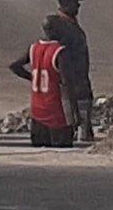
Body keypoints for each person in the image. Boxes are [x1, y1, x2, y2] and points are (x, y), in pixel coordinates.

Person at [9, 15, 77, 147]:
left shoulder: (33, 48)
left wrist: (33, 77)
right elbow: (68, 84)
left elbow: (14, 66)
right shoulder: (60, 52)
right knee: (61, 152)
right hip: (57, 116)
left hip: (37, 114)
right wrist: (75, 112)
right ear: (57, 30)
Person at [54, 0, 95, 143]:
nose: (78, 6)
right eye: (75, 3)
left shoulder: (70, 24)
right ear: (66, 4)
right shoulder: (62, 26)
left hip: (79, 79)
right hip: (73, 82)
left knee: (82, 117)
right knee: (76, 118)